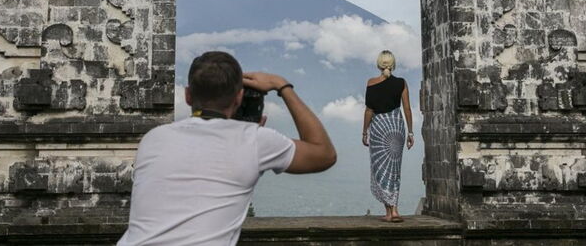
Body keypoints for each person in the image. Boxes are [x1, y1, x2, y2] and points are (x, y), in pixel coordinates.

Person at [117, 51, 337, 246]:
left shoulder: (153, 138)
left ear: (188, 95)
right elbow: (324, 154)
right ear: (238, 97)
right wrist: (282, 85)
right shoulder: (254, 141)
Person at [362, 49, 414, 223]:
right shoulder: (401, 83)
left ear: (379, 64)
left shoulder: (371, 83)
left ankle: (388, 212)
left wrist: (364, 131)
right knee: (394, 169)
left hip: (379, 129)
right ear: (393, 64)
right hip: (397, 128)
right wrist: (411, 132)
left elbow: (369, 111)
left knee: (381, 169)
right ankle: (395, 211)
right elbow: (407, 108)